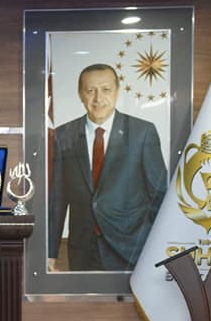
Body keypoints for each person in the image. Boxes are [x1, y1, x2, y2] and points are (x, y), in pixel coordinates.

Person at [48, 63, 167, 271]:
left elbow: (159, 195)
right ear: (80, 94)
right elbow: (57, 200)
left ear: (117, 92)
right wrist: (50, 253)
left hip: (131, 248)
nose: (98, 98)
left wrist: (157, 248)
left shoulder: (142, 132)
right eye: (90, 90)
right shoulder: (63, 135)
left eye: (105, 89)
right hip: (83, 250)